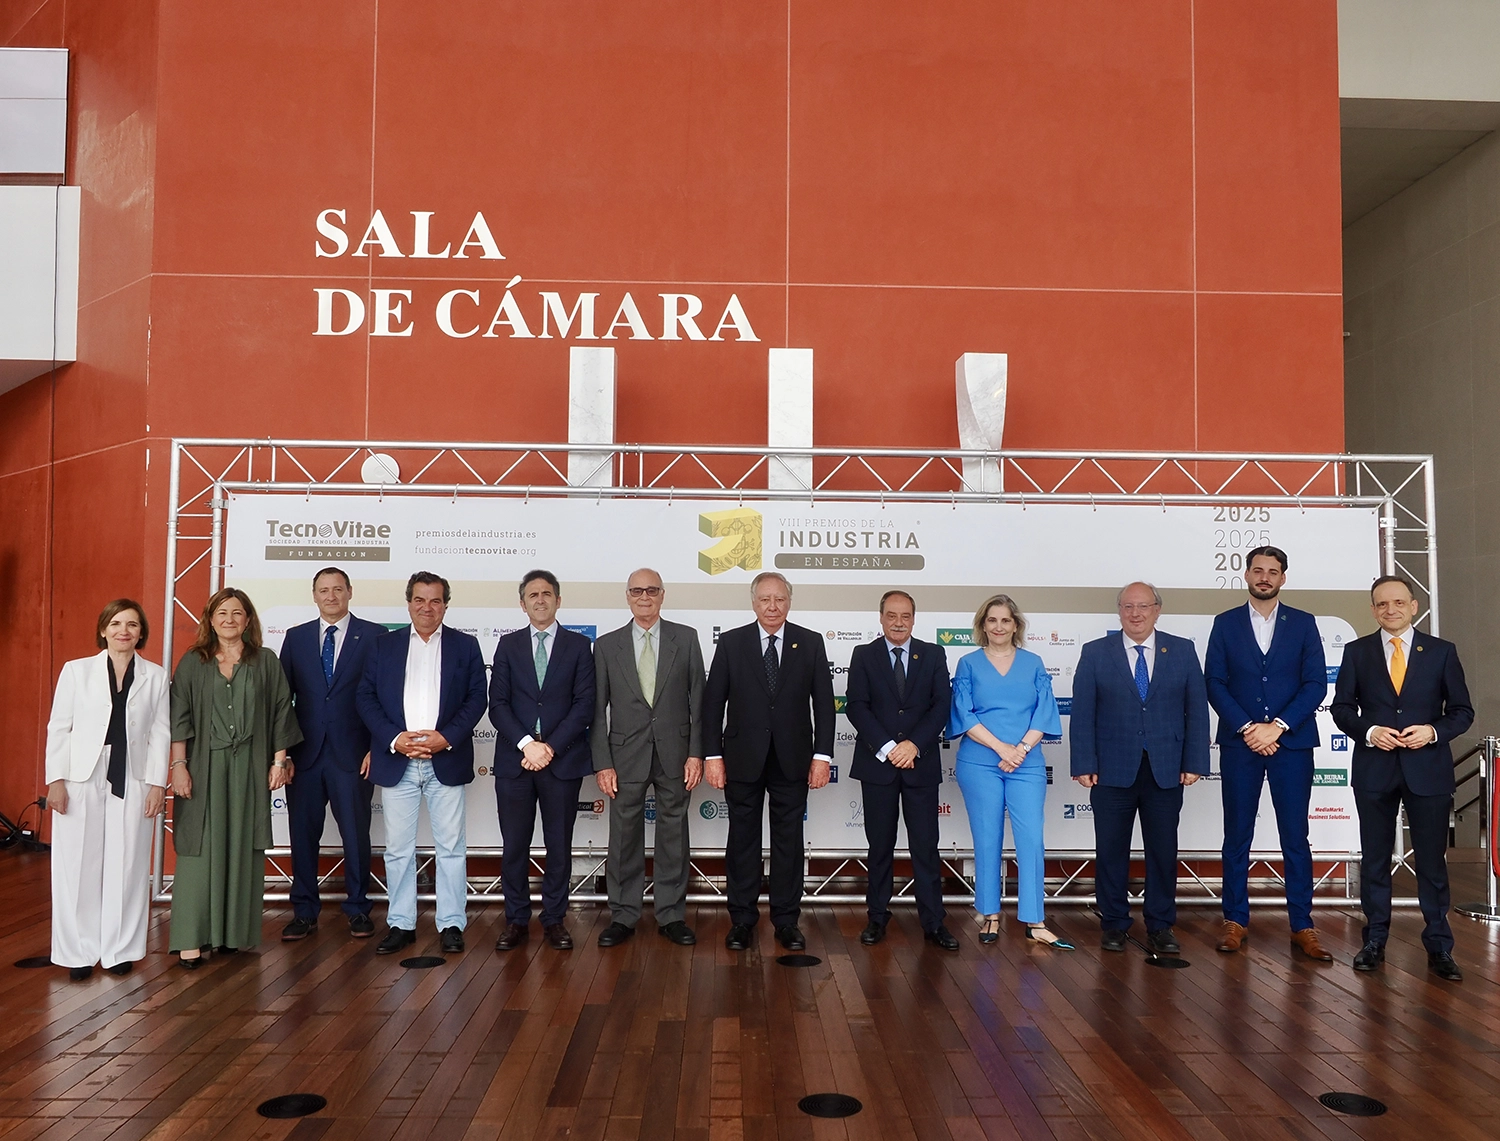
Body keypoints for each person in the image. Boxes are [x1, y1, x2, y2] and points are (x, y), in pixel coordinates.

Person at [1331, 575, 1474, 981]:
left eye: (1398, 602)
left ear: (1414, 606)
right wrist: (1370, 732)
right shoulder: (1358, 653)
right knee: (1374, 859)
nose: (1389, 610)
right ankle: (1374, 940)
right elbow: (1342, 708)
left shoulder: (1442, 652)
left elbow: (1462, 711)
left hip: (1427, 769)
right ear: (1373, 609)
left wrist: (1432, 732)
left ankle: (1440, 946)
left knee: (1431, 862)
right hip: (1375, 769)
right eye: (1381, 604)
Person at [1204, 546, 1331, 960]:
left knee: (1295, 837)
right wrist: (1248, 728)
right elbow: (1215, 683)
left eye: (1272, 572)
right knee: (1236, 835)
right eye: (1257, 570)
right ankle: (1235, 920)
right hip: (1241, 745)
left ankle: (1303, 925)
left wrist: (1276, 726)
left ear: (1283, 578)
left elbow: (1315, 684)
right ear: (1245, 575)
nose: (1264, 577)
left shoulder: (1305, 623)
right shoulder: (1224, 623)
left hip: (1290, 744)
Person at [1070, 582, 1209, 954]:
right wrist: (1084, 762)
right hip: (1111, 771)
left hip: (1166, 769)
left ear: (1157, 609)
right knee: (1111, 850)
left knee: (1163, 851)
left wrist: (1195, 761)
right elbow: (1082, 713)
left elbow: (1196, 709)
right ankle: (1114, 923)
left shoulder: (1182, 650)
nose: (1136, 614)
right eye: (1128, 606)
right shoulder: (1096, 653)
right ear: (1119, 611)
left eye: (1143, 606)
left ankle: (1161, 925)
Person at [356, 571, 487, 957]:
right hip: (398, 759)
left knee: (451, 848)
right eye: (419, 600)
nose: (426, 608)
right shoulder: (383, 646)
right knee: (397, 849)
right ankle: (401, 923)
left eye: (435, 600)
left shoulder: (466, 646)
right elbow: (365, 699)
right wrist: (397, 740)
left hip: (445, 757)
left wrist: (445, 737)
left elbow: (477, 698)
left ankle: (451, 923)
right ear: (408, 602)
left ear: (445, 604)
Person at [168, 587, 301, 968]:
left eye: (237, 613)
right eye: (222, 612)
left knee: (243, 844)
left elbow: (280, 711)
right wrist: (179, 766)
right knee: (200, 848)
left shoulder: (266, 661)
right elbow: (181, 717)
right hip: (203, 765)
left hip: (250, 764)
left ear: (248, 620)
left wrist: (278, 762)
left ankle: (231, 935)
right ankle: (192, 938)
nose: (229, 619)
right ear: (210, 619)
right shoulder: (193, 662)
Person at [704, 571, 835, 952]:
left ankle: (786, 921)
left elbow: (824, 705)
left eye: (779, 599)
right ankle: (742, 920)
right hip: (742, 759)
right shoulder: (732, 643)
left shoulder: (809, 643)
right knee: (742, 841)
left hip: (793, 760)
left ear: (789, 602)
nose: (772, 606)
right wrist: (713, 755)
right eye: (765, 599)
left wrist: (822, 756)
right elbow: (714, 705)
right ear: (753, 602)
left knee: (788, 842)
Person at [46, 600, 170, 979]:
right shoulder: (76, 671)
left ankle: (119, 950)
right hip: (81, 773)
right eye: (116, 623)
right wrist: (55, 781)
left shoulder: (156, 675)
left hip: (133, 773)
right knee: (76, 864)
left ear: (141, 633)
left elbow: (162, 732)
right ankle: (78, 952)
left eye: (132, 624)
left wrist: (156, 784)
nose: (124, 631)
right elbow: (59, 728)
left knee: (129, 861)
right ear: (103, 629)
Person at [592, 568, 705, 948]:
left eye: (652, 590)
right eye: (637, 591)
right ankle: (623, 915)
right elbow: (596, 711)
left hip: (675, 752)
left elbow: (699, 705)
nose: (645, 596)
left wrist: (696, 754)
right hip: (624, 754)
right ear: (627, 596)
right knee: (623, 836)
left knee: (674, 833)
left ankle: (671, 915)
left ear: (662, 594)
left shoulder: (686, 639)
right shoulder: (607, 646)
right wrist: (603, 762)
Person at [948, 594, 1067, 948]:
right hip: (980, 761)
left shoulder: (1033, 662)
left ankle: (1035, 920)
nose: (998, 627)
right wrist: (1002, 748)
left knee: (1031, 839)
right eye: (992, 620)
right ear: (983, 625)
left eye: (1005, 620)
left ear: (1016, 625)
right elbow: (964, 714)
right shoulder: (968, 663)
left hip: (1026, 762)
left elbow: (1044, 712)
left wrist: (1021, 750)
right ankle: (990, 915)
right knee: (987, 839)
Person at [487, 570, 596, 951]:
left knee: (558, 846)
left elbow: (585, 705)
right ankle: (516, 919)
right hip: (515, 763)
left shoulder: (579, 646)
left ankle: (553, 919)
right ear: (522, 603)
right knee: (514, 845)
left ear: (558, 600)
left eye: (546, 593)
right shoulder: (508, 646)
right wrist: (526, 745)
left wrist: (548, 747)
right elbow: (496, 705)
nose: (540, 600)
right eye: (532, 594)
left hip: (561, 762)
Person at [278, 567, 387, 941]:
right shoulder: (295, 638)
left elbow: (383, 698)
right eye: (323, 590)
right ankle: (304, 911)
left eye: (337, 589)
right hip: (304, 755)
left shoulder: (374, 636)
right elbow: (281, 702)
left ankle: (358, 908)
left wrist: (376, 747)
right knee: (302, 835)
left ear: (350, 592)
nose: (330, 596)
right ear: (314, 595)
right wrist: (283, 755)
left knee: (356, 835)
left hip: (353, 753)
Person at [845, 590, 957, 949]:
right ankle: (877, 918)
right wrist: (891, 748)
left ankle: (933, 922)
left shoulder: (934, 653)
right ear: (880, 618)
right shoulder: (863, 655)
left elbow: (942, 705)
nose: (898, 622)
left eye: (905, 616)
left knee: (926, 846)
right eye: (891, 615)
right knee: (880, 846)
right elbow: (856, 707)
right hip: (879, 766)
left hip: (919, 765)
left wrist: (914, 745)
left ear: (913, 618)